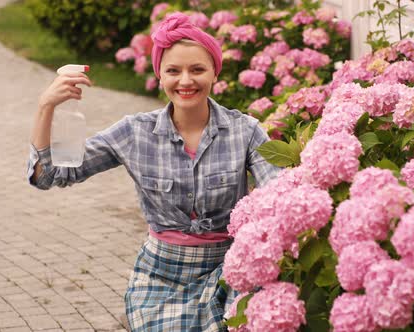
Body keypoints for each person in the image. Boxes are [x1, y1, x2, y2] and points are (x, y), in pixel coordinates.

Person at [27, 12, 281, 332]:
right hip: (160, 278)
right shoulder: (135, 132)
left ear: (215, 72)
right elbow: (48, 176)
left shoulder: (246, 131)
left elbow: (279, 192)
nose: (185, 81)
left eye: (197, 69)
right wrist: (45, 106)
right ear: (159, 75)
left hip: (231, 270)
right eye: (173, 71)